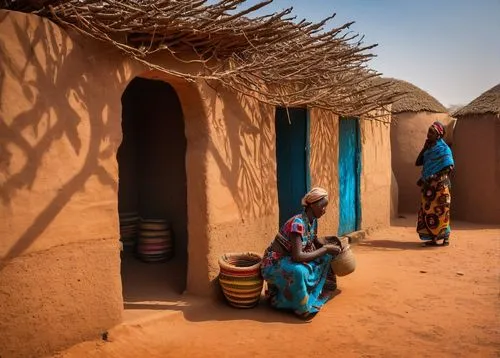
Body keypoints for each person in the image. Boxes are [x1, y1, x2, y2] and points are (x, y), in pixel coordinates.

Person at [261, 187, 342, 320]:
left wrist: (331, 244)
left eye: (325, 207)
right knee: (300, 272)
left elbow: (314, 241)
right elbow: (297, 256)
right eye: (322, 206)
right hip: (273, 264)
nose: (324, 210)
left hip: (288, 259)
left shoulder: (313, 221)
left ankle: (314, 291)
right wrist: (326, 249)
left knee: (325, 258)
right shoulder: (297, 224)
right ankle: (296, 306)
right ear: (312, 205)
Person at [415, 121, 455, 246]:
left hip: (440, 185)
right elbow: (418, 162)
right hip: (428, 187)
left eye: (431, 132)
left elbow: (449, 166)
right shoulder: (429, 148)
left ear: (438, 135)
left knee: (441, 211)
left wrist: (433, 176)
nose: (428, 134)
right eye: (428, 131)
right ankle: (433, 238)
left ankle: (445, 237)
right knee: (428, 212)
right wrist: (424, 148)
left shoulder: (443, 149)